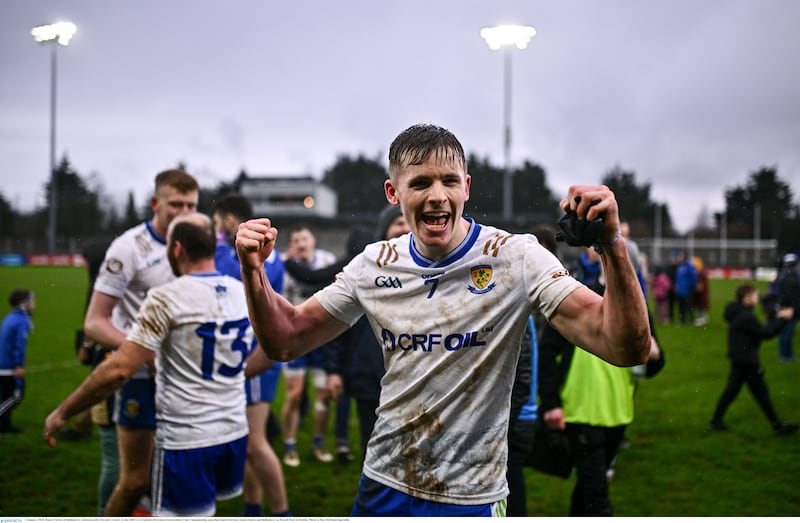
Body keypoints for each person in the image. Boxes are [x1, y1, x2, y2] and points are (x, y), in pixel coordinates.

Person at [235, 123, 650, 516]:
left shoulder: (515, 257)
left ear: (466, 186)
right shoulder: (373, 264)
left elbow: (623, 346)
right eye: (420, 183)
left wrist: (611, 244)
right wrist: (253, 272)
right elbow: (286, 339)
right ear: (392, 192)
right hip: (383, 484)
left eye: (449, 181)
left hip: (473, 496)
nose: (437, 195)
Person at [44, 212, 253, 516]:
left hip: (187, 441)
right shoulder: (240, 290)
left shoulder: (165, 298)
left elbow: (119, 370)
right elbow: (268, 351)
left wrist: (63, 413)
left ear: (177, 249)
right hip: (234, 433)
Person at [82, 168, 199, 516]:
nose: (183, 212)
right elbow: (95, 322)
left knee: (172, 471)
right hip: (138, 376)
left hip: (182, 376)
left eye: (190, 205)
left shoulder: (198, 244)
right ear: (155, 203)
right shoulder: (130, 247)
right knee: (130, 477)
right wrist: (141, 352)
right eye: (175, 204)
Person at [538, 247, 661, 516]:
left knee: (587, 487)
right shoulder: (579, 297)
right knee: (598, 497)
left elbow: (653, 364)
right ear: (606, 263)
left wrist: (654, 355)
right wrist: (551, 403)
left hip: (618, 413)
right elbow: (546, 351)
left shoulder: (638, 307)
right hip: (580, 410)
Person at [212, 192, 291, 518]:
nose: (217, 230)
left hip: (258, 355)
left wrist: (216, 243)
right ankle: (253, 508)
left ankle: (281, 512)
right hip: (243, 353)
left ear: (230, 221)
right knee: (246, 444)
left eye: (219, 224)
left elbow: (232, 275)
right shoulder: (249, 251)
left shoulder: (255, 255)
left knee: (255, 442)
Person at [280, 224, 338, 466]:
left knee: (323, 394)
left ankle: (318, 442)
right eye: (296, 240)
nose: (301, 244)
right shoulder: (283, 266)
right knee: (294, 394)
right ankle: (290, 445)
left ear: (313, 239)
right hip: (294, 336)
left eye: (304, 238)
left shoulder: (327, 260)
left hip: (321, 337)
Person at [708, 283, 798, 435]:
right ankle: (777, 426)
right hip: (747, 362)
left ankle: (715, 422)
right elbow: (766, 333)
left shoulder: (737, 311)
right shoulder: (746, 316)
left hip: (739, 360)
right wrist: (783, 319)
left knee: (732, 392)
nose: (758, 298)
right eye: (756, 296)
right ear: (747, 298)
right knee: (760, 393)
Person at [0, 289, 35, 434]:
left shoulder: (10, 317)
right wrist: (19, 365)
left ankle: (5, 426)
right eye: (32, 302)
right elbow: (19, 344)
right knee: (16, 396)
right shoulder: (22, 320)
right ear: (24, 304)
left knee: (5, 396)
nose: (34, 305)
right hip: (8, 367)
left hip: (2, 364)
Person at [776, 253, 799, 362]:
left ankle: (787, 354)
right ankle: (785, 356)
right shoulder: (791, 277)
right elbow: (792, 296)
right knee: (787, 333)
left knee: (786, 332)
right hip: (789, 309)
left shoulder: (783, 275)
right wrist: (794, 309)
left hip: (785, 307)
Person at [674, 251, 698, 325]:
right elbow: (678, 278)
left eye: (681, 256)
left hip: (687, 290)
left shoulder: (689, 266)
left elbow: (694, 277)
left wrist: (689, 285)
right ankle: (682, 320)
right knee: (681, 306)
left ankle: (691, 319)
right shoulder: (680, 266)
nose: (679, 258)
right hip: (680, 290)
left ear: (684, 257)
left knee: (689, 305)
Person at [692, 256, 710, 326]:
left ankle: (702, 318)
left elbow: (700, 287)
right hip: (702, 294)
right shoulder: (701, 272)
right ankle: (703, 317)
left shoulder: (700, 273)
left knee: (701, 306)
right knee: (701, 306)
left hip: (701, 294)